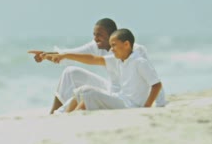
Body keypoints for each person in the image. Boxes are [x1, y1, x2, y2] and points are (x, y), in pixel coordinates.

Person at [28, 18, 166, 113]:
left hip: (130, 99)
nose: (95, 39)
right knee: (70, 72)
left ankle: (71, 115)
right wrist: (46, 55)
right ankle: (55, 114)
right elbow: (74, 54)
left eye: (99, 35)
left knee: (88, 93)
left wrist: (159, 103)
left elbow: (153, 79)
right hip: (114, 92)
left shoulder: (135, 52)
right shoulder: (98, 46)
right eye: (94, 35)